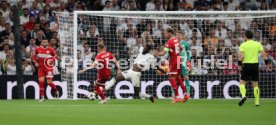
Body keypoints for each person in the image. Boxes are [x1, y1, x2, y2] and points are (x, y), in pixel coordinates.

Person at [238, 30, 268, 106]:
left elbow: (240, 56)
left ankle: (244, 96)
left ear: (245, 36)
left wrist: (239, 65)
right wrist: (266, 63)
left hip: (246, 65)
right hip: (255, 65)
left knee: (242, 82)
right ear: (252, 36)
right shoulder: (257, 44)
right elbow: (264, 54)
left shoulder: (243, 45)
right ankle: (257, 102)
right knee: (255, 85)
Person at [159, 28, 189, 103]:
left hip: (174, 61)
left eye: (166, 33)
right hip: (179, 60)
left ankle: (177, 96)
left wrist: (155, 53)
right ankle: (186, 94)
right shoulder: (176, 40)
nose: (165, 35)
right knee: (178, 77)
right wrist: (173, 51)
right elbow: (181, 49)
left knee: (171, 78)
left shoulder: (169, 42)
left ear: (170, 33)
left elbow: (163, 53)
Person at [177, 31, 191, 98]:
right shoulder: (175, 43)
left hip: (183, 62)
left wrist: (188, 61)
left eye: (179, 35)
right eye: (177, 35)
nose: (178, 36)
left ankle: (188, 93)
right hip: (176, 62)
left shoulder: (185, 44)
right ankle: (174, 94)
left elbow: (188, 53)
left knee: (186, 77)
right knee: (175, 78)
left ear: (182, 36)